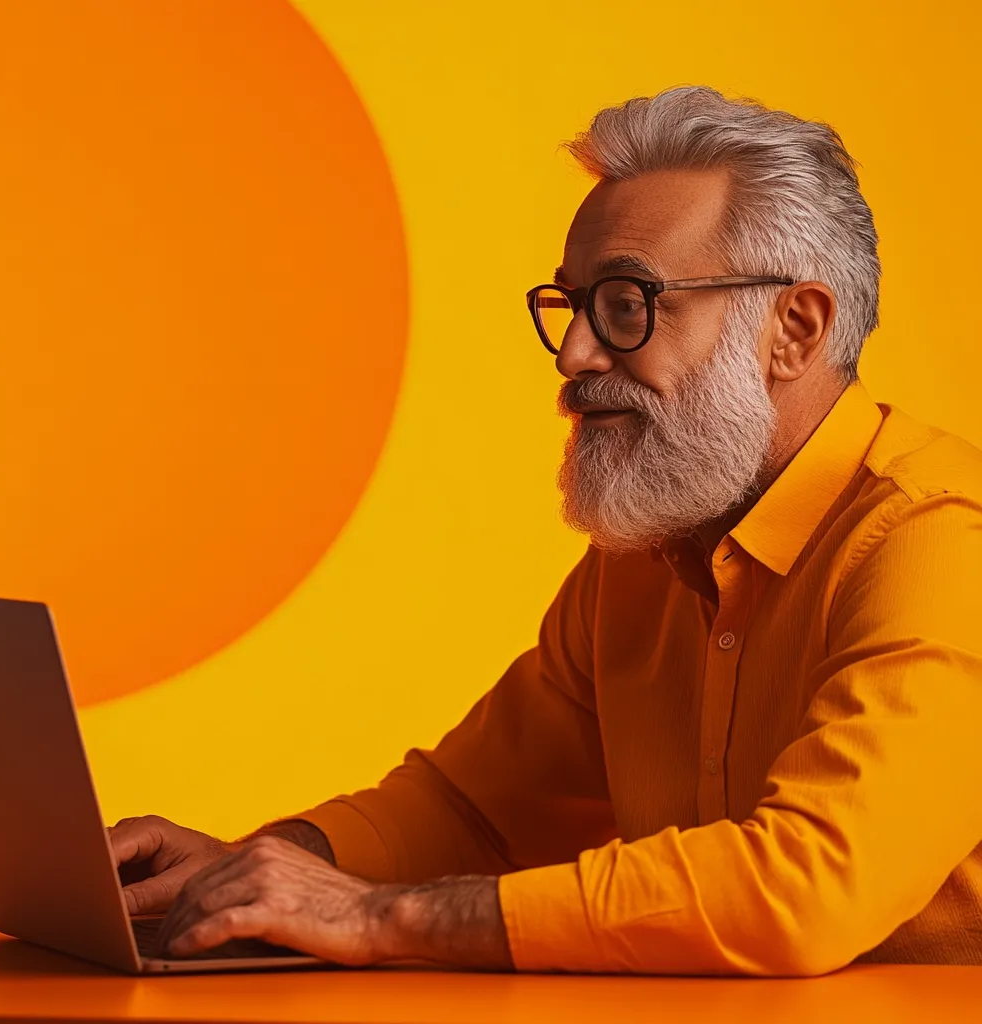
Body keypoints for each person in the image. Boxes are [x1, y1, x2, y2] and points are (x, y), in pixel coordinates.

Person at [107, 85, 982, 975]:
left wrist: (377, 916)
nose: (574, 356)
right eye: (571, 306)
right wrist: (263, 867)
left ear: (793, 330)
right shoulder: (645, 558)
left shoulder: (943, 542)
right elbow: (478, 811)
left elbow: (805, 886)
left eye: (628, 303)